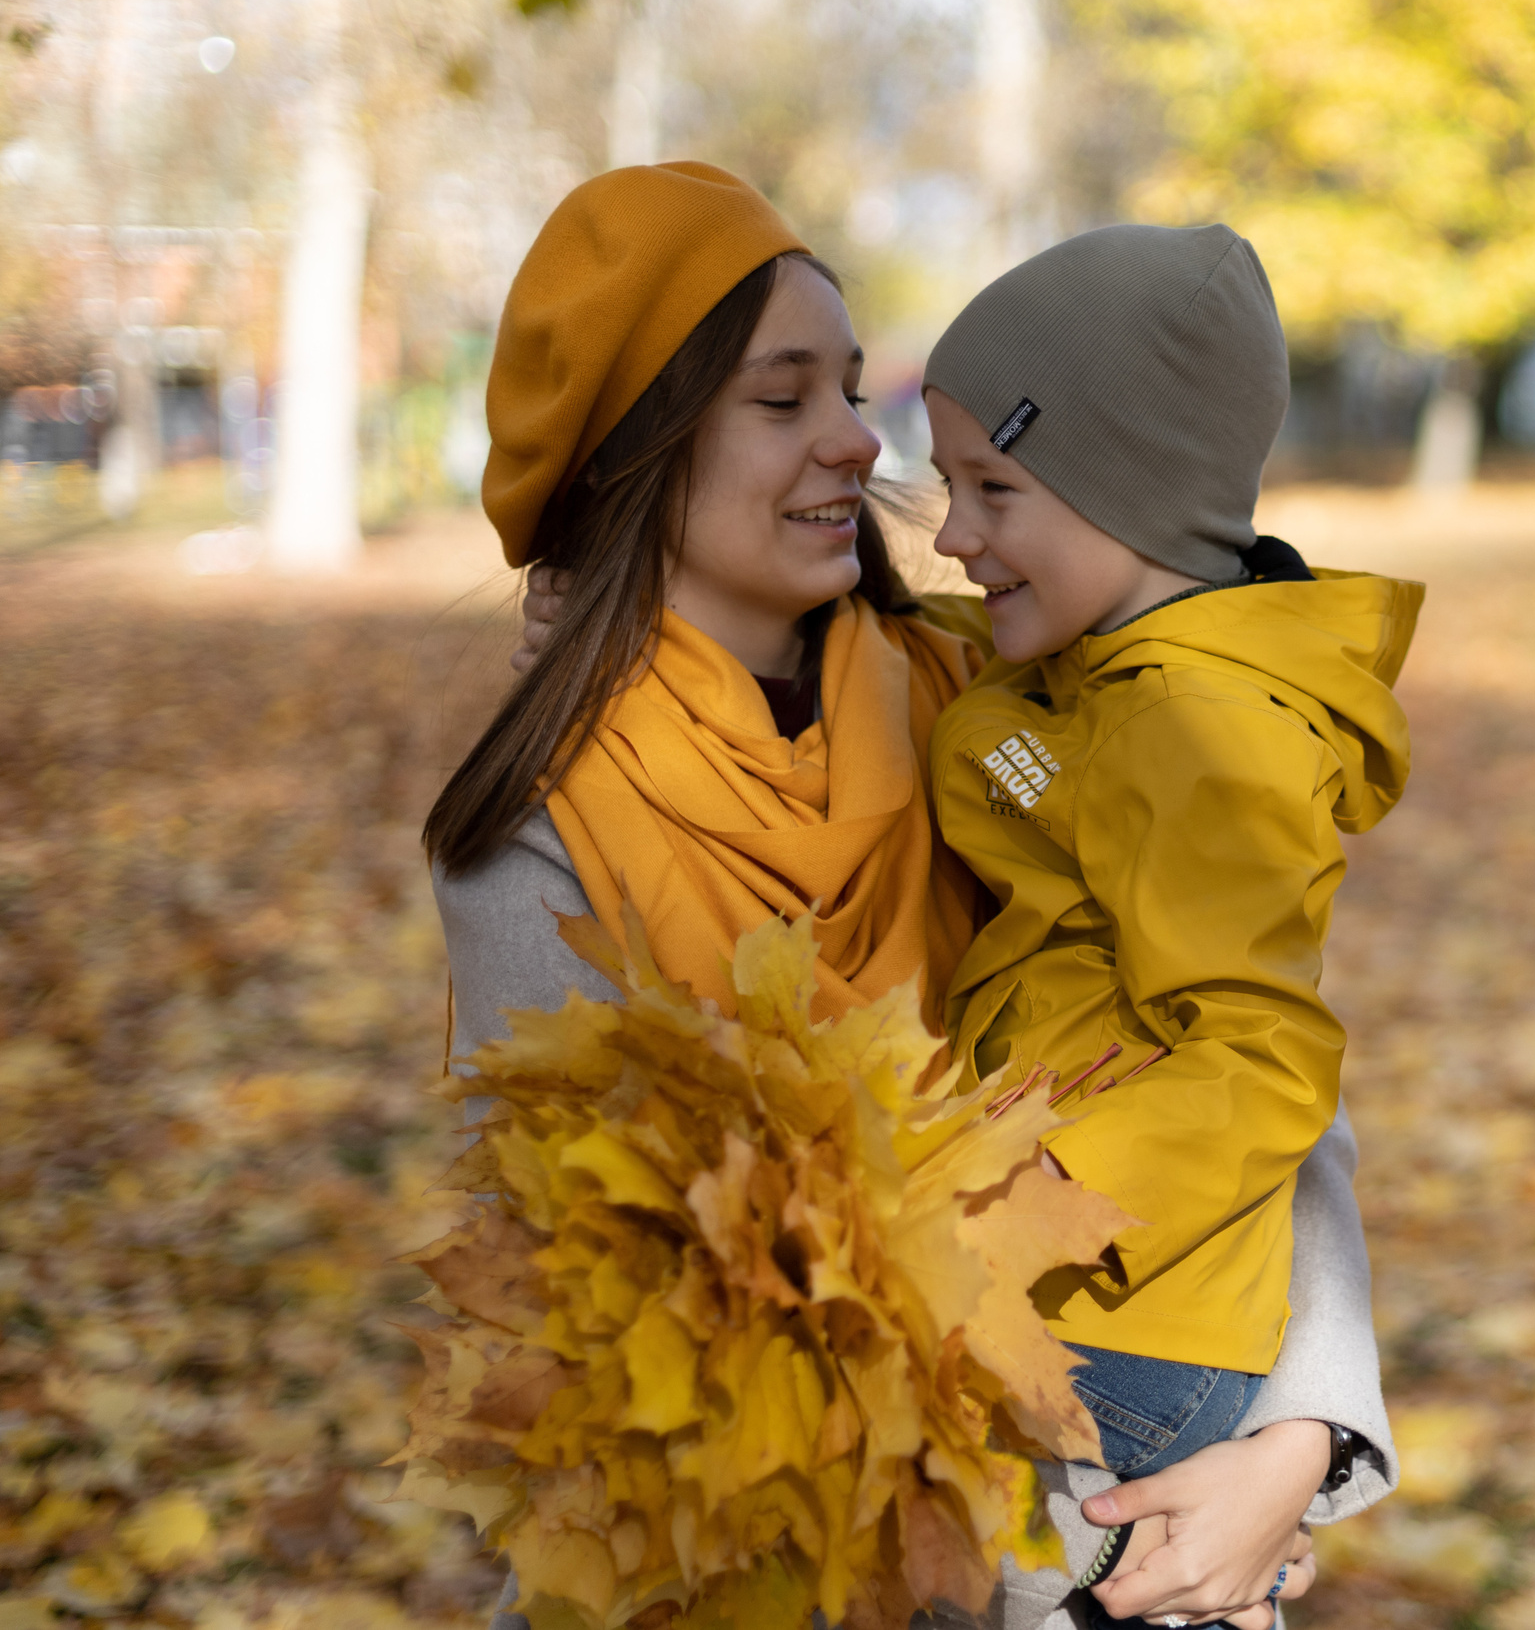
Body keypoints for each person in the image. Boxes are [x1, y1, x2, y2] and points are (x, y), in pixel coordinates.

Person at [434, 162, 1395, 1630]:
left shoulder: (986, 706)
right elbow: (615, 1309)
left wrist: (1294, 1439)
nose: (853, 438)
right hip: (749, 1561)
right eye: (783, 398)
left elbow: (1253, 1047)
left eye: (849, 387)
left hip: (1104, 1498)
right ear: (639, 450)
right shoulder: (538, 829)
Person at [913, 225, 1423, 1626]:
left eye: (992, 489)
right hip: (1106, 1301)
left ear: (1121, 495)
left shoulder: (1200, 734)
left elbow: (1260, 1056)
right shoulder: (1095, 696)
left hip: (1118, 1330)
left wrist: (1026, 1203)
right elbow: (1030, 766)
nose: (953, 535)